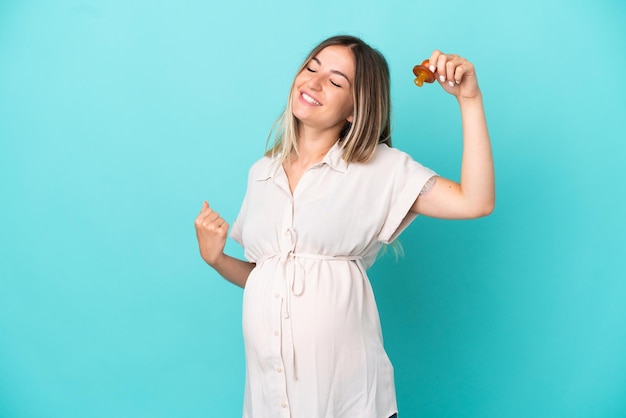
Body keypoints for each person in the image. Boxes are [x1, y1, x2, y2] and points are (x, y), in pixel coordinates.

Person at [194, 34, 494, 418]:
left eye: (336, 81)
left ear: (355, 109)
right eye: (311, 68)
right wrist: (216, 259)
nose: (314, 82)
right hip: (270, 400)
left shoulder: (379, 168)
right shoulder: (261, 174)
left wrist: (469, 100)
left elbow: (476, 201)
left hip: (349, 402)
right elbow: (265, 276)